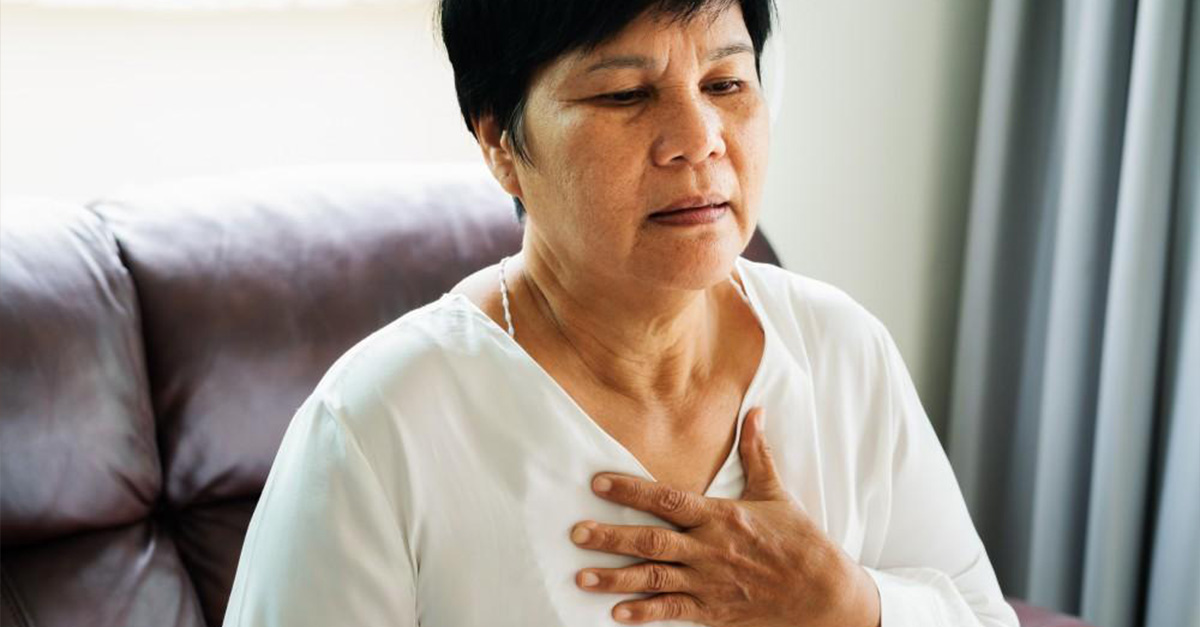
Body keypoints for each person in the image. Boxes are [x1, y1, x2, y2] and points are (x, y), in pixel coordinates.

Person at [222, 1, 1019, 625]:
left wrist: (845, 604)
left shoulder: (841, 348)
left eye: (725, 84)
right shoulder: (374, 424)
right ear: (501, 142)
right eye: (626, 94)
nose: (698, 139)